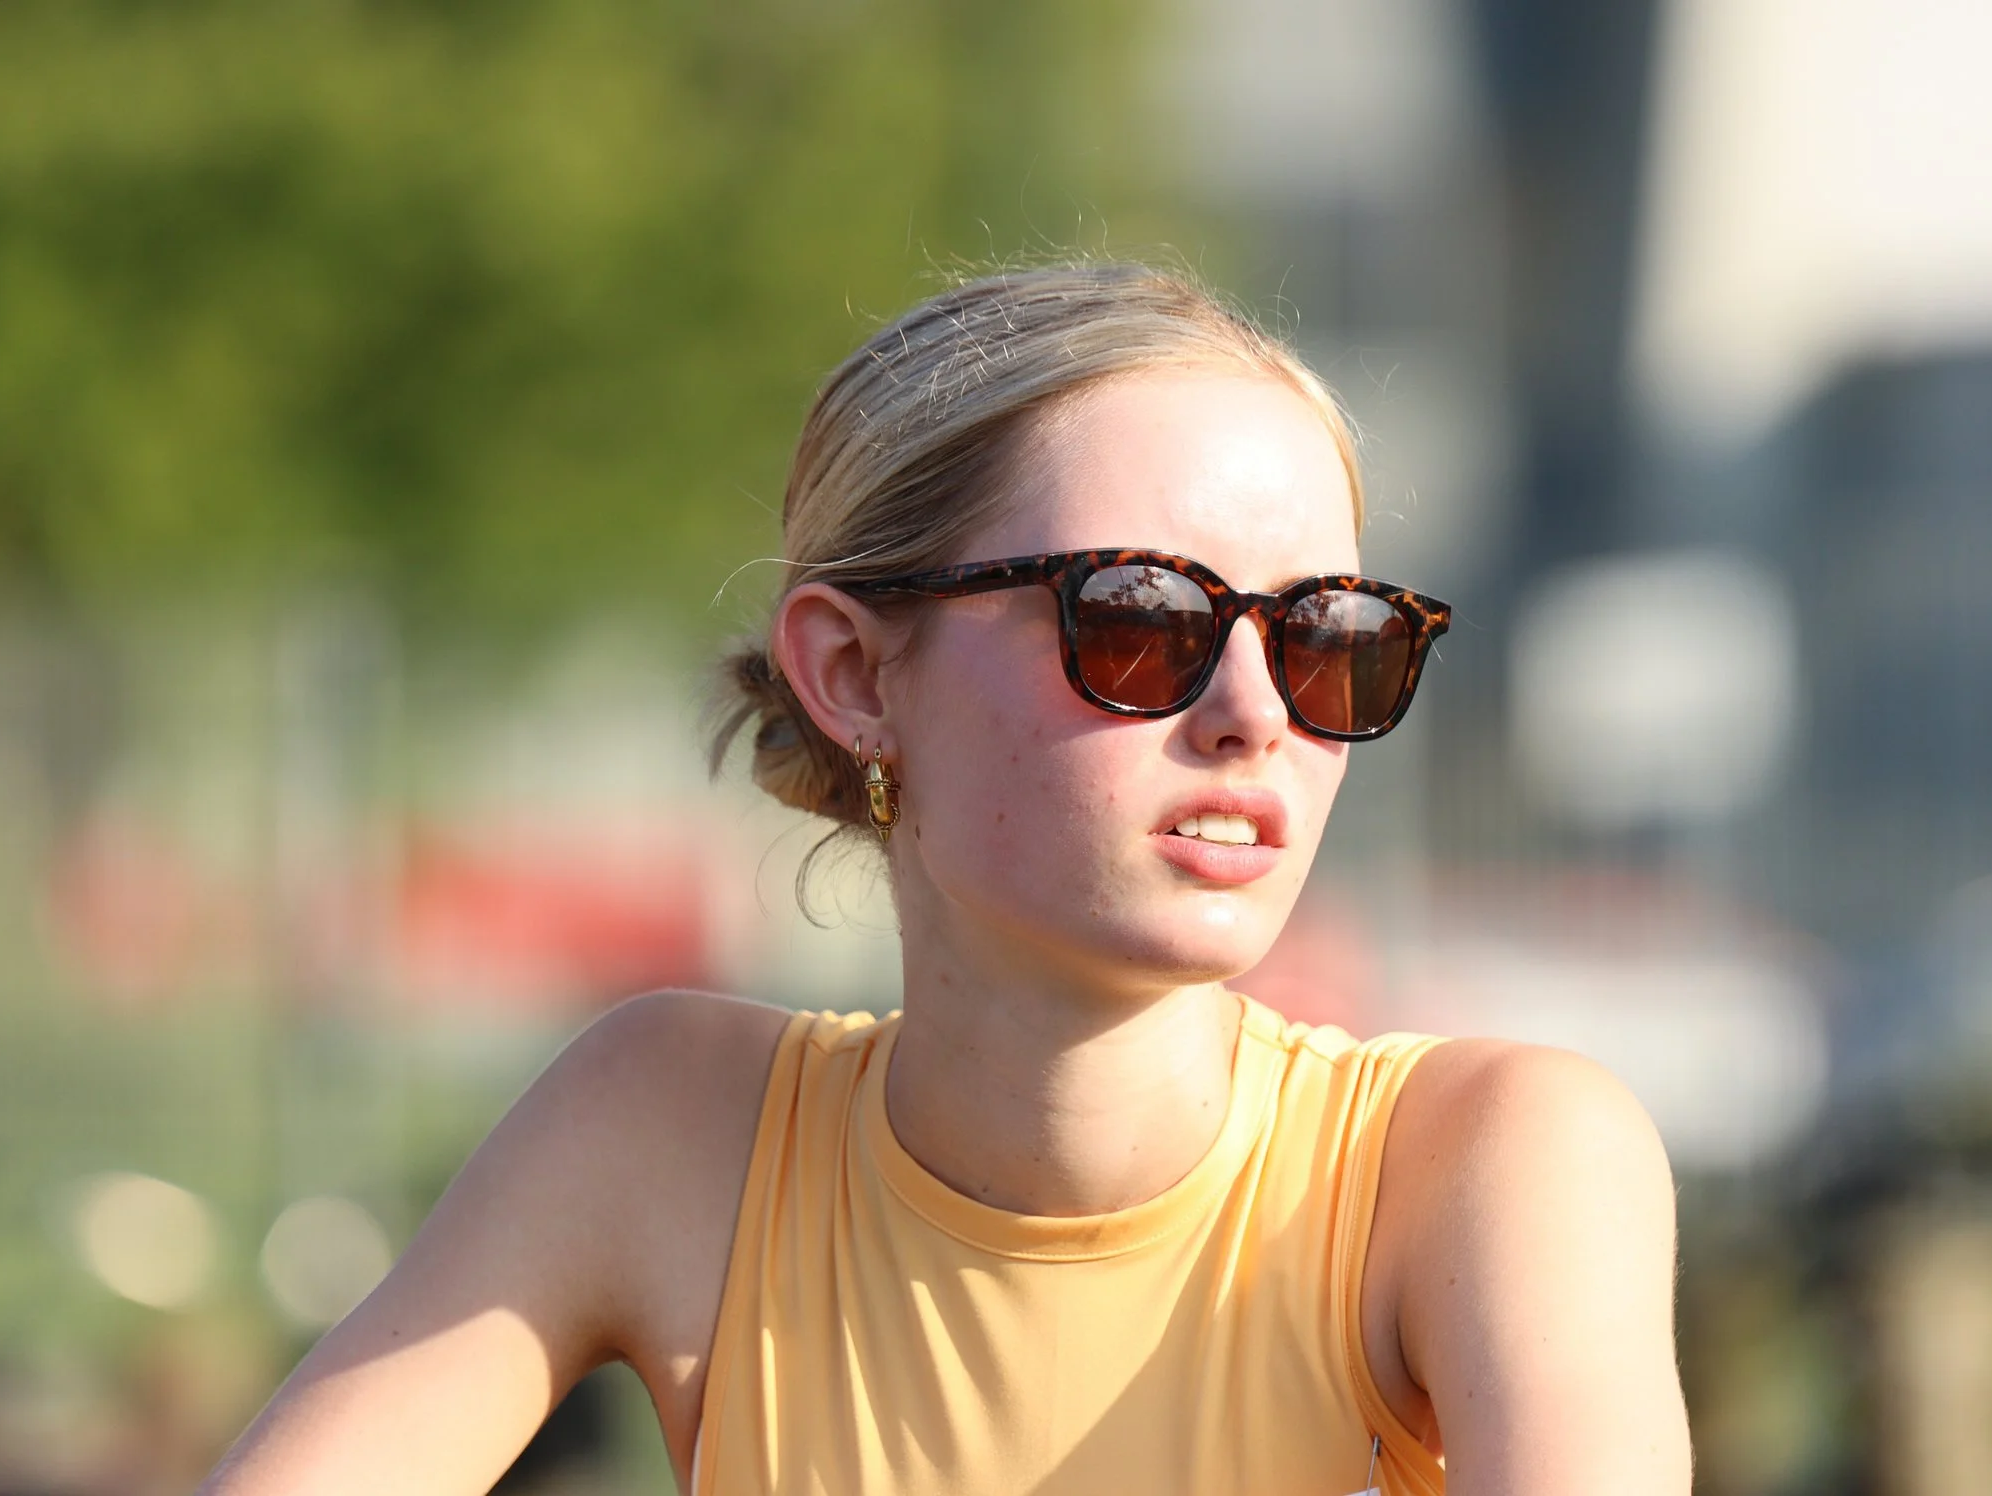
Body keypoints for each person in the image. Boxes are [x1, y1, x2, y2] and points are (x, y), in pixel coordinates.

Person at [197, 262, 1691, 1495]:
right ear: (854, 673)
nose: (1255, 712)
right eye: (1141, 619)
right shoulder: (668, 1126)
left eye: (1329, 637)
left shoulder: (1487, 1161)